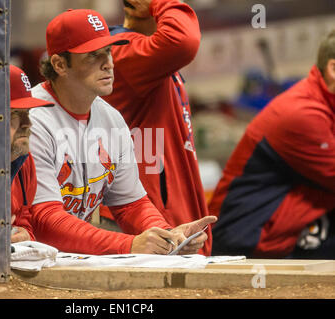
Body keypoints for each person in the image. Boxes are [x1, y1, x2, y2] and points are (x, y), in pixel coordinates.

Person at [26, 8, 216, 255]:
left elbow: (131, 204)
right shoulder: (33, 120)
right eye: (93, 55)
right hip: (23, 264)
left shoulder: (111, 118)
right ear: (60, 64)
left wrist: (168, 236)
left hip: (65, 258)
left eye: (108, 51)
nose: (108, 63)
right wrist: (129, 244)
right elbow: (46, 222)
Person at [98, 0, 213, 255]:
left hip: (160, 216)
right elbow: (184, 40)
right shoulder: (122, 52)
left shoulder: (148, 55)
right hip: (140, 221)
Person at [208, 30, 335, 259]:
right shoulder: (303, 113)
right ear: (333, 70)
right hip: (247, 237)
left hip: (283, 224)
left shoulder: (324, 102)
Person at [0, 65, 54, 243]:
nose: (27, 124)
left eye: (28, 113)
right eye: (15, 114)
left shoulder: (23, 159)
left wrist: (24, 234)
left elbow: (24, 219)